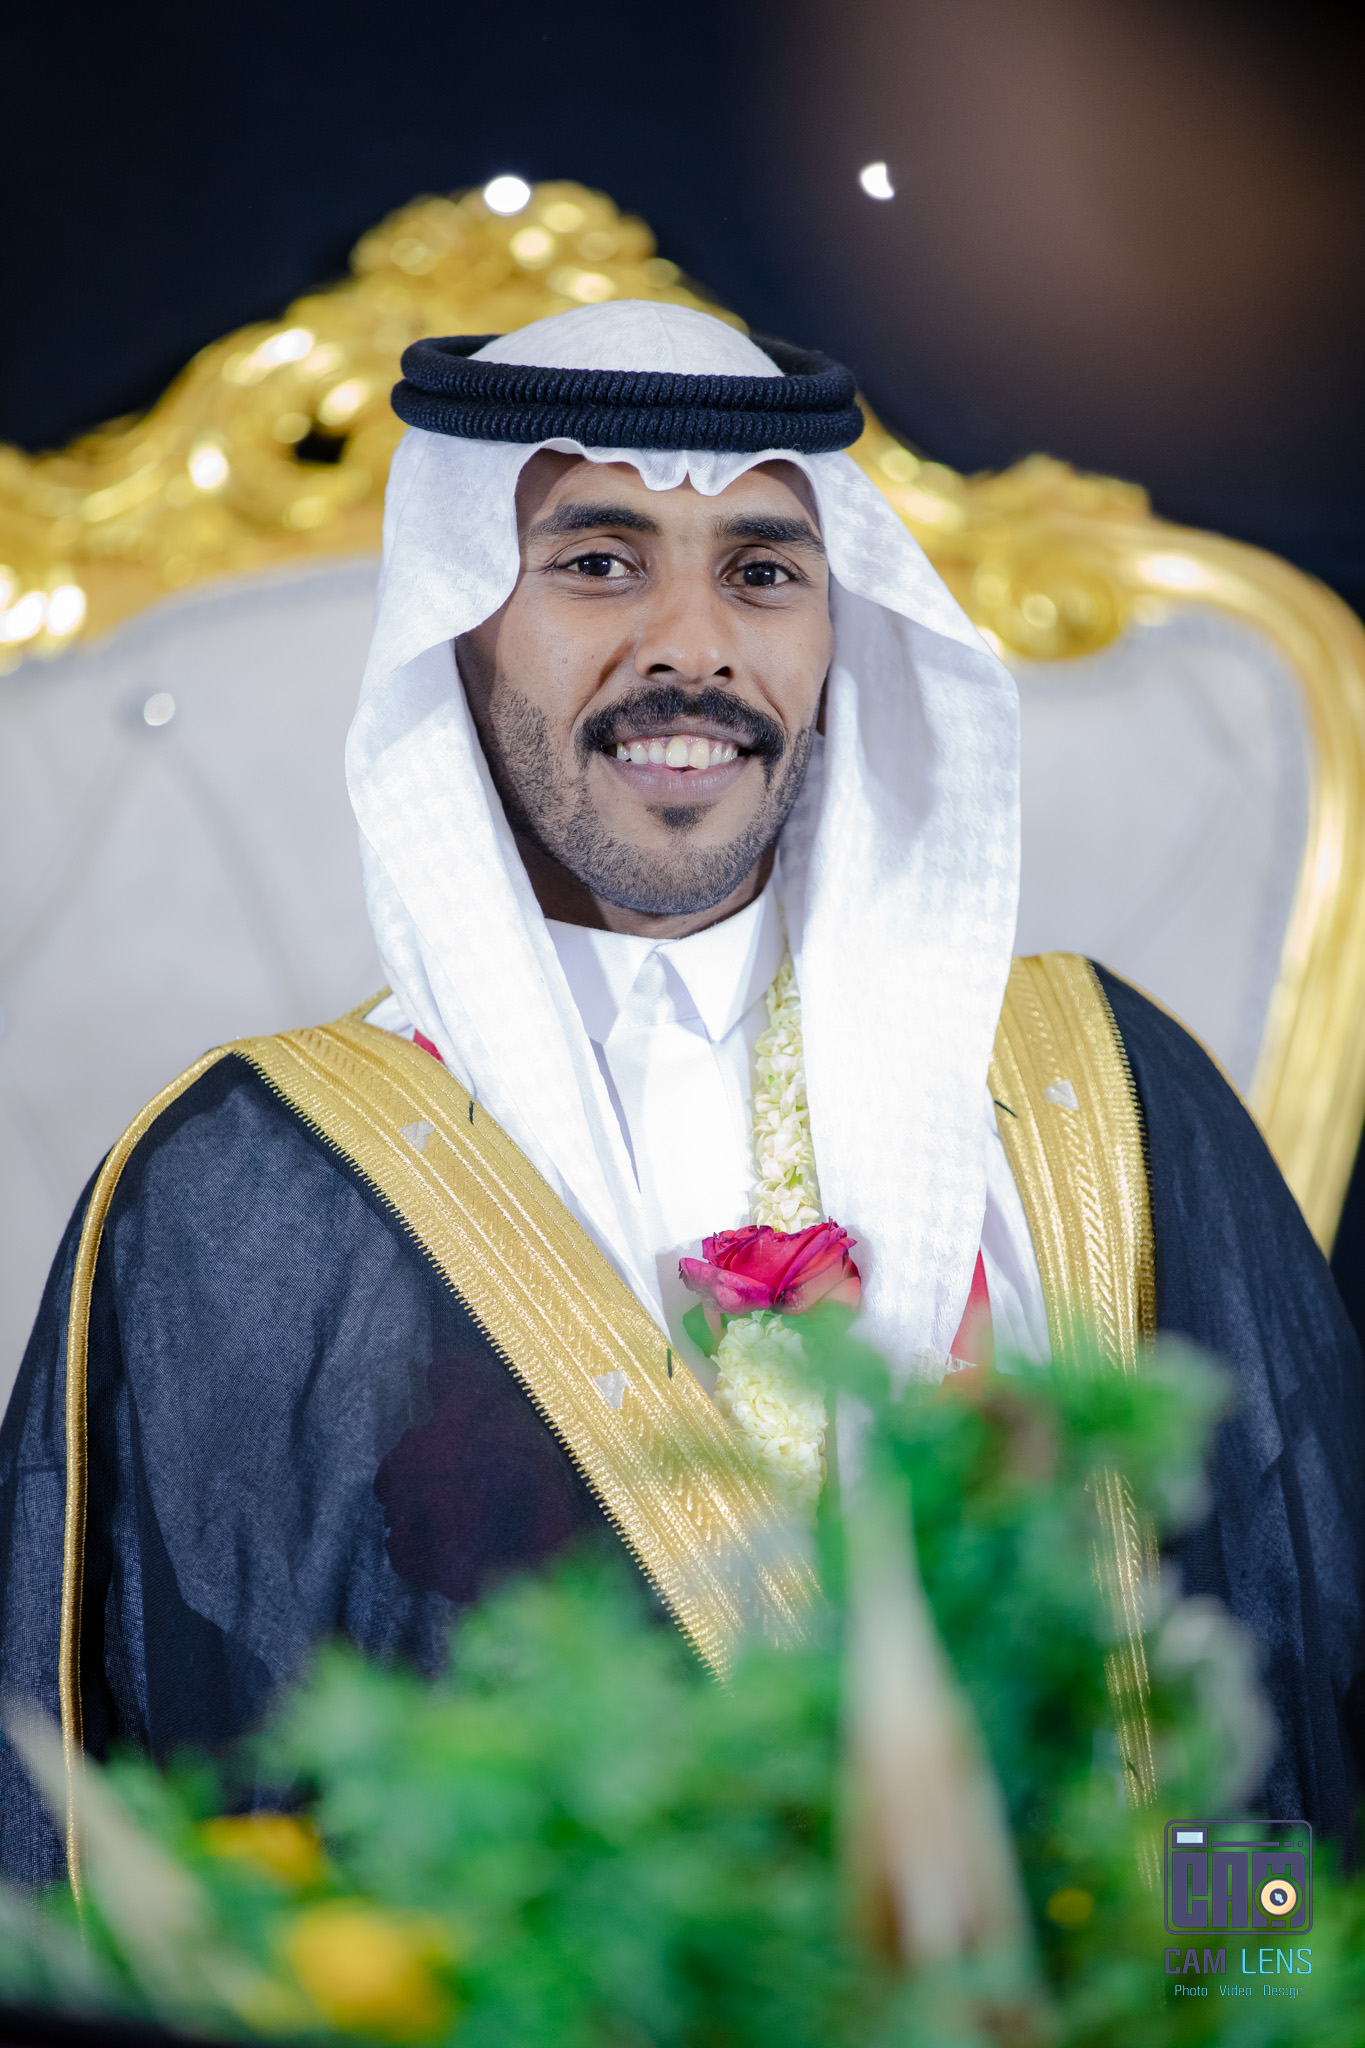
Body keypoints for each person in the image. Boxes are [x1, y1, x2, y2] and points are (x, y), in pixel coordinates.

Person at [1, 304, 1361, 1890]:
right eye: (598, 562)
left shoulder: (1096, 1097)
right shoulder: (247, 1196)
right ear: (455, 620)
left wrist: (1214, 1996)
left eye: (763, 572)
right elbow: (183, 1852)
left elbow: (1271, 1702)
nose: (693, 647)